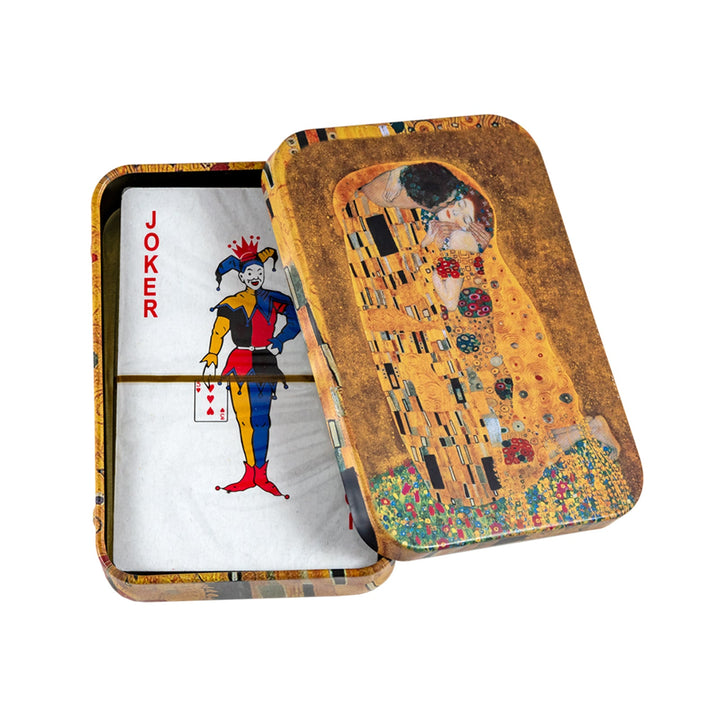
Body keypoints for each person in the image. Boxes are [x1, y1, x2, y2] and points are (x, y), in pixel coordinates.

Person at [201, 237, 300, 497]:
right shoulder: (232, 302)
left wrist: (280, 339)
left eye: (259, 272)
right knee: (244, 420)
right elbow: (219, 330)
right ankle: (250, 474)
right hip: (239, 362)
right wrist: (212, 353)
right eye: (250, 273)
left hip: (265, 361)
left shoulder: (275, 299)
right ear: (242, 277)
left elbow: (295, 320)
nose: (255, 277)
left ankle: (261, 475)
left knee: (261, 420)